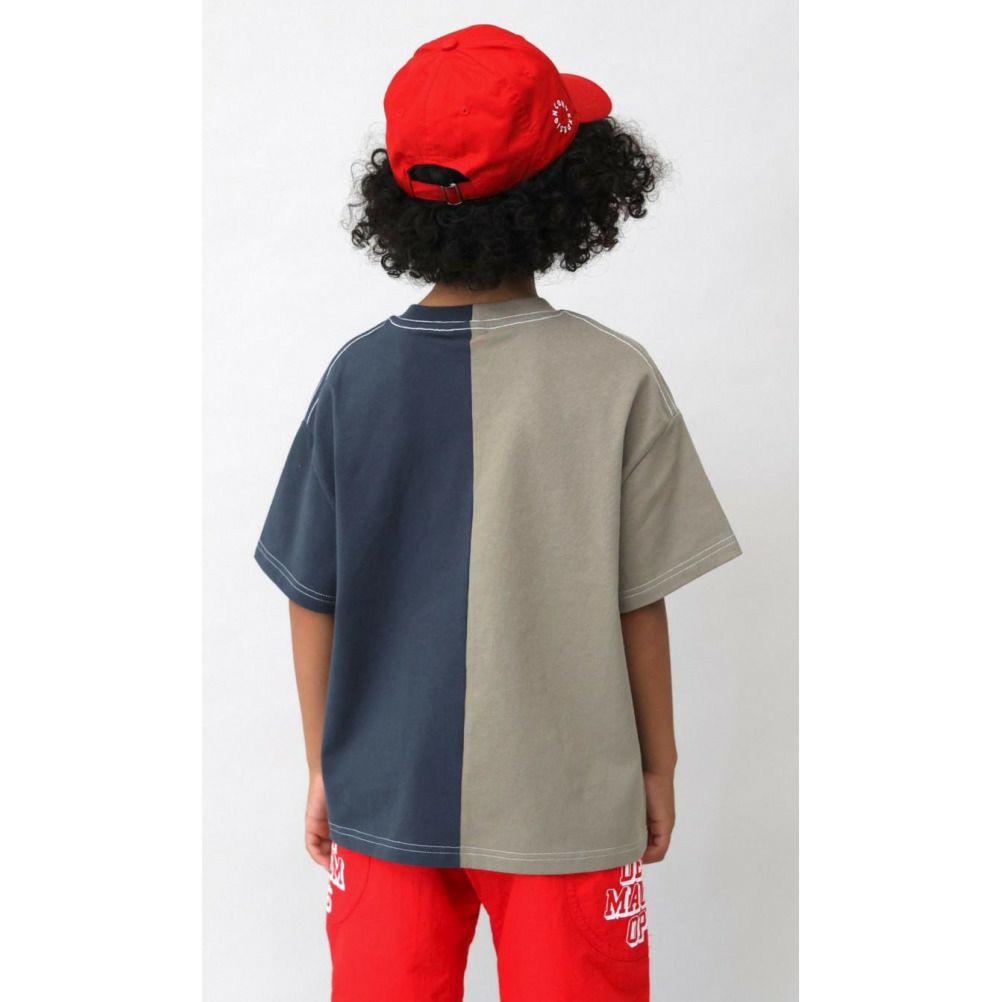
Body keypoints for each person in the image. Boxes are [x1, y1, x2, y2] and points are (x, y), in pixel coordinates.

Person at [254, 22, 741, 1002]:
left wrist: (324, 766)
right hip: (569, 803)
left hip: (385, 791)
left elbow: (312, 595)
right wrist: (658, 767)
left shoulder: (355, 378)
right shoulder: (615, 376)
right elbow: (637, 602)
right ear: (569, 189)